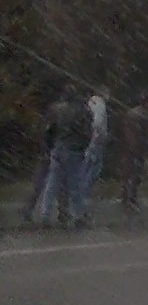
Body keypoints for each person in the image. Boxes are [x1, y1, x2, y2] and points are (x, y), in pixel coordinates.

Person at [38, 84, 93, 228]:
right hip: (74, 149)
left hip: (58, 147)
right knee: (75, 184)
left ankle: (45, 214)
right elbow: (88, 132)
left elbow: (49, 130)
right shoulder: (83, 111)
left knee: (52, 182)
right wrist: (84, 145)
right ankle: (78, 215)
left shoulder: (56, 109)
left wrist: (49, 147)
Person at [20, 92, 71, 224]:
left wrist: (45, 149)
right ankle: (62, 211)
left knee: (43, 182)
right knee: (57, 181)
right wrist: (47, 150)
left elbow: (45, 131)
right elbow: (47, 132)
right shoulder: (62, 111)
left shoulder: (53, 111)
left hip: (51, 150)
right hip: (55, 150)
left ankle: (30, 208)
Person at [121, 92, 148, 212]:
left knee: (129, 173)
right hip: (138, 148)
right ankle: (131, 199)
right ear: (146, 103)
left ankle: (126, 196)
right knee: (136, 174)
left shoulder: (130, 113)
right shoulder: (144, 115)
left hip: (128, 147)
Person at [80, 84, 110, 208]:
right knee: (94, 168)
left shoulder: (90, 102)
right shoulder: (100, 105)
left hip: (88, 140)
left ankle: (78, 194)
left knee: (85, 166)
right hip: (97, 141)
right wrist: (102, 135)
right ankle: (84, 194)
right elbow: (98, 122)